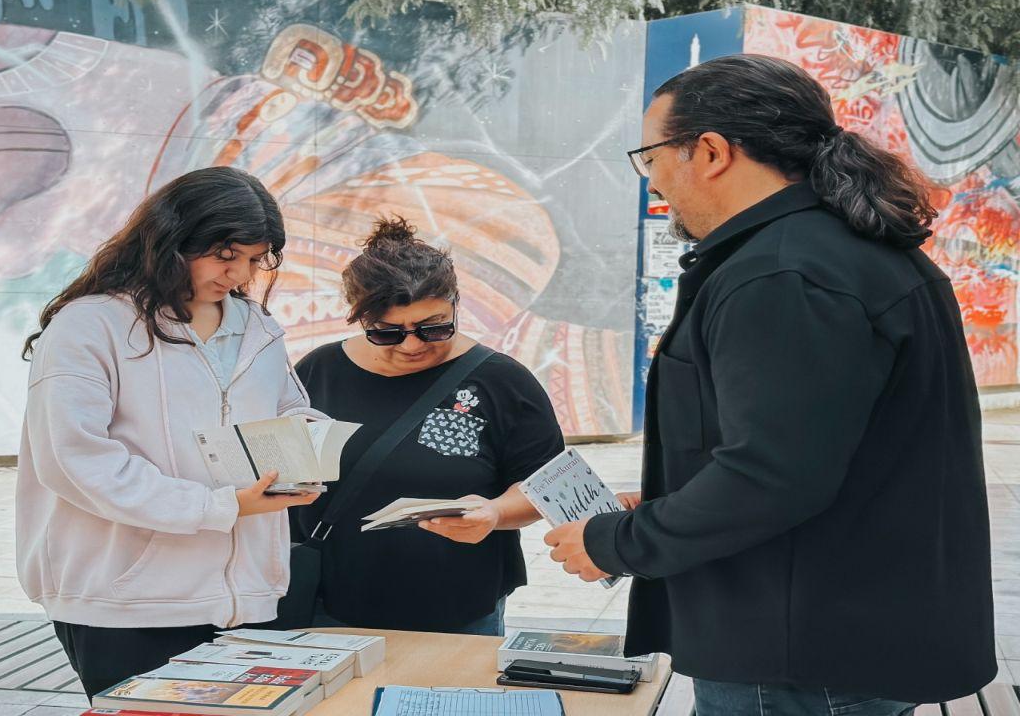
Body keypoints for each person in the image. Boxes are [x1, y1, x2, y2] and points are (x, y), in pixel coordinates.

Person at [545, 54, 996, 714]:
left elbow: (771, 476)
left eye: (652, 156)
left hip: (796, 661)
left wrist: (614, 542)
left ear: (711, 152)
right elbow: (819, 448)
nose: (654, 182)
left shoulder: (782, 275)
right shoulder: (841, 253)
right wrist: (674, 492)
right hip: (839, 637)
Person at [16, 166, 323, 700]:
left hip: (246, 596)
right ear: (172, 239)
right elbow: (75, 460)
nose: (239, 274)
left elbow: (290, 410)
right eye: (226, 255)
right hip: (127, 601)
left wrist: (309, 449)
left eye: (253, 259)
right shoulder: (91, 325)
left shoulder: (256, 326)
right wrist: (218, 507)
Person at [291, 216, 565, 636]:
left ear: (456, 302)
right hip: (328, 604)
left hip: (458, 608)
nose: (413, 344)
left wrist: (493, 512)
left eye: (434, 327)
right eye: (387, 333)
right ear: (359, 317)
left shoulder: (502, 382)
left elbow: (544, 487)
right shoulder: (318, 371)